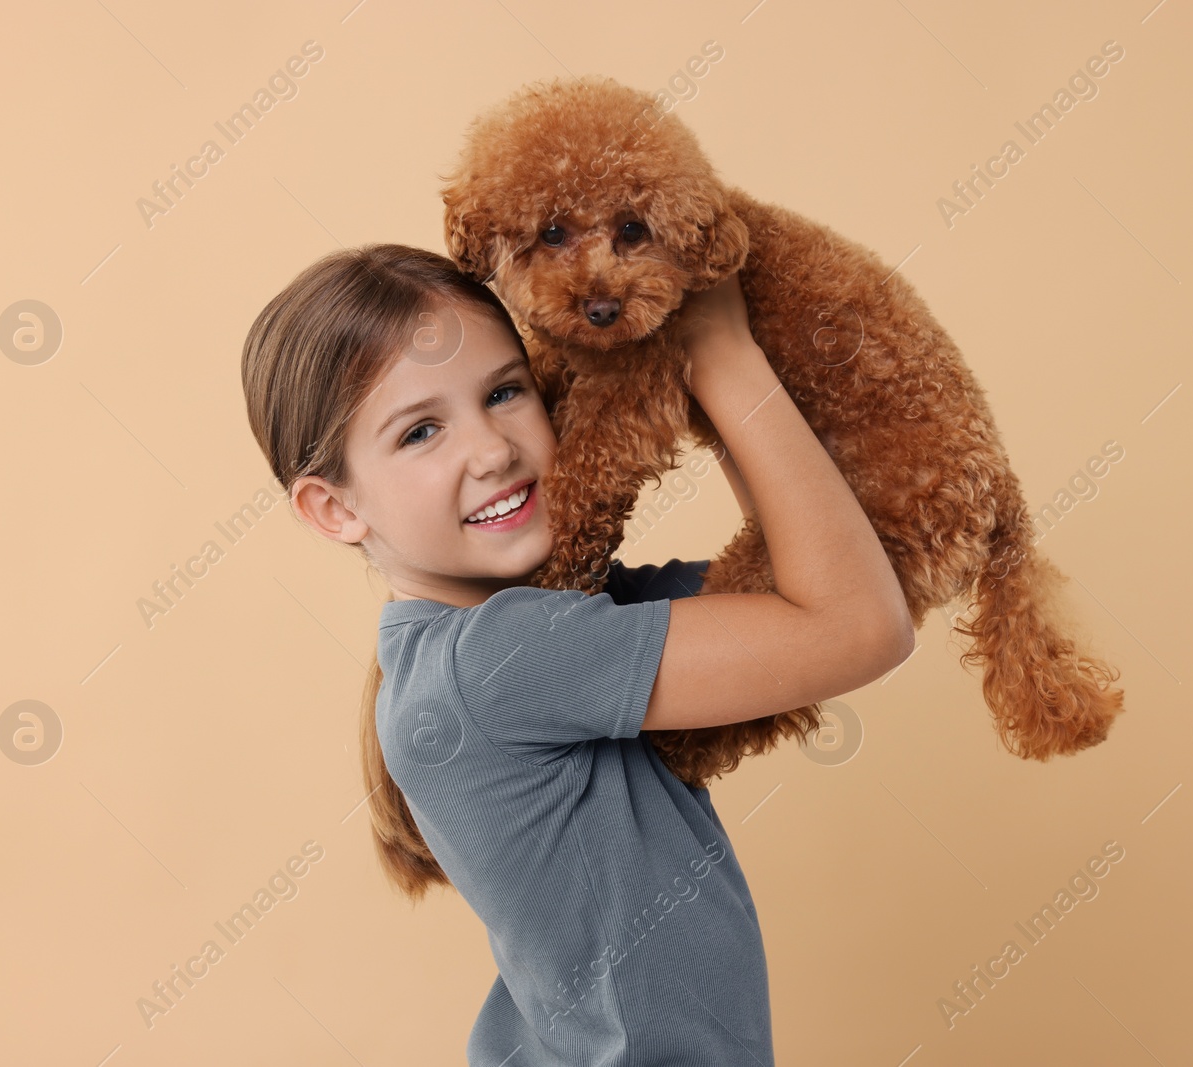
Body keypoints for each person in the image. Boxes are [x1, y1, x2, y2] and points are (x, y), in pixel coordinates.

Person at [240, 243, 914, 1065]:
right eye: (421, 431)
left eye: (504, 392)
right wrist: (716, 352)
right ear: (333, 506)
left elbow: (816, 570)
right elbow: (859, 624)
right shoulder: (501, 661)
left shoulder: (550, 627)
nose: (491, 450)